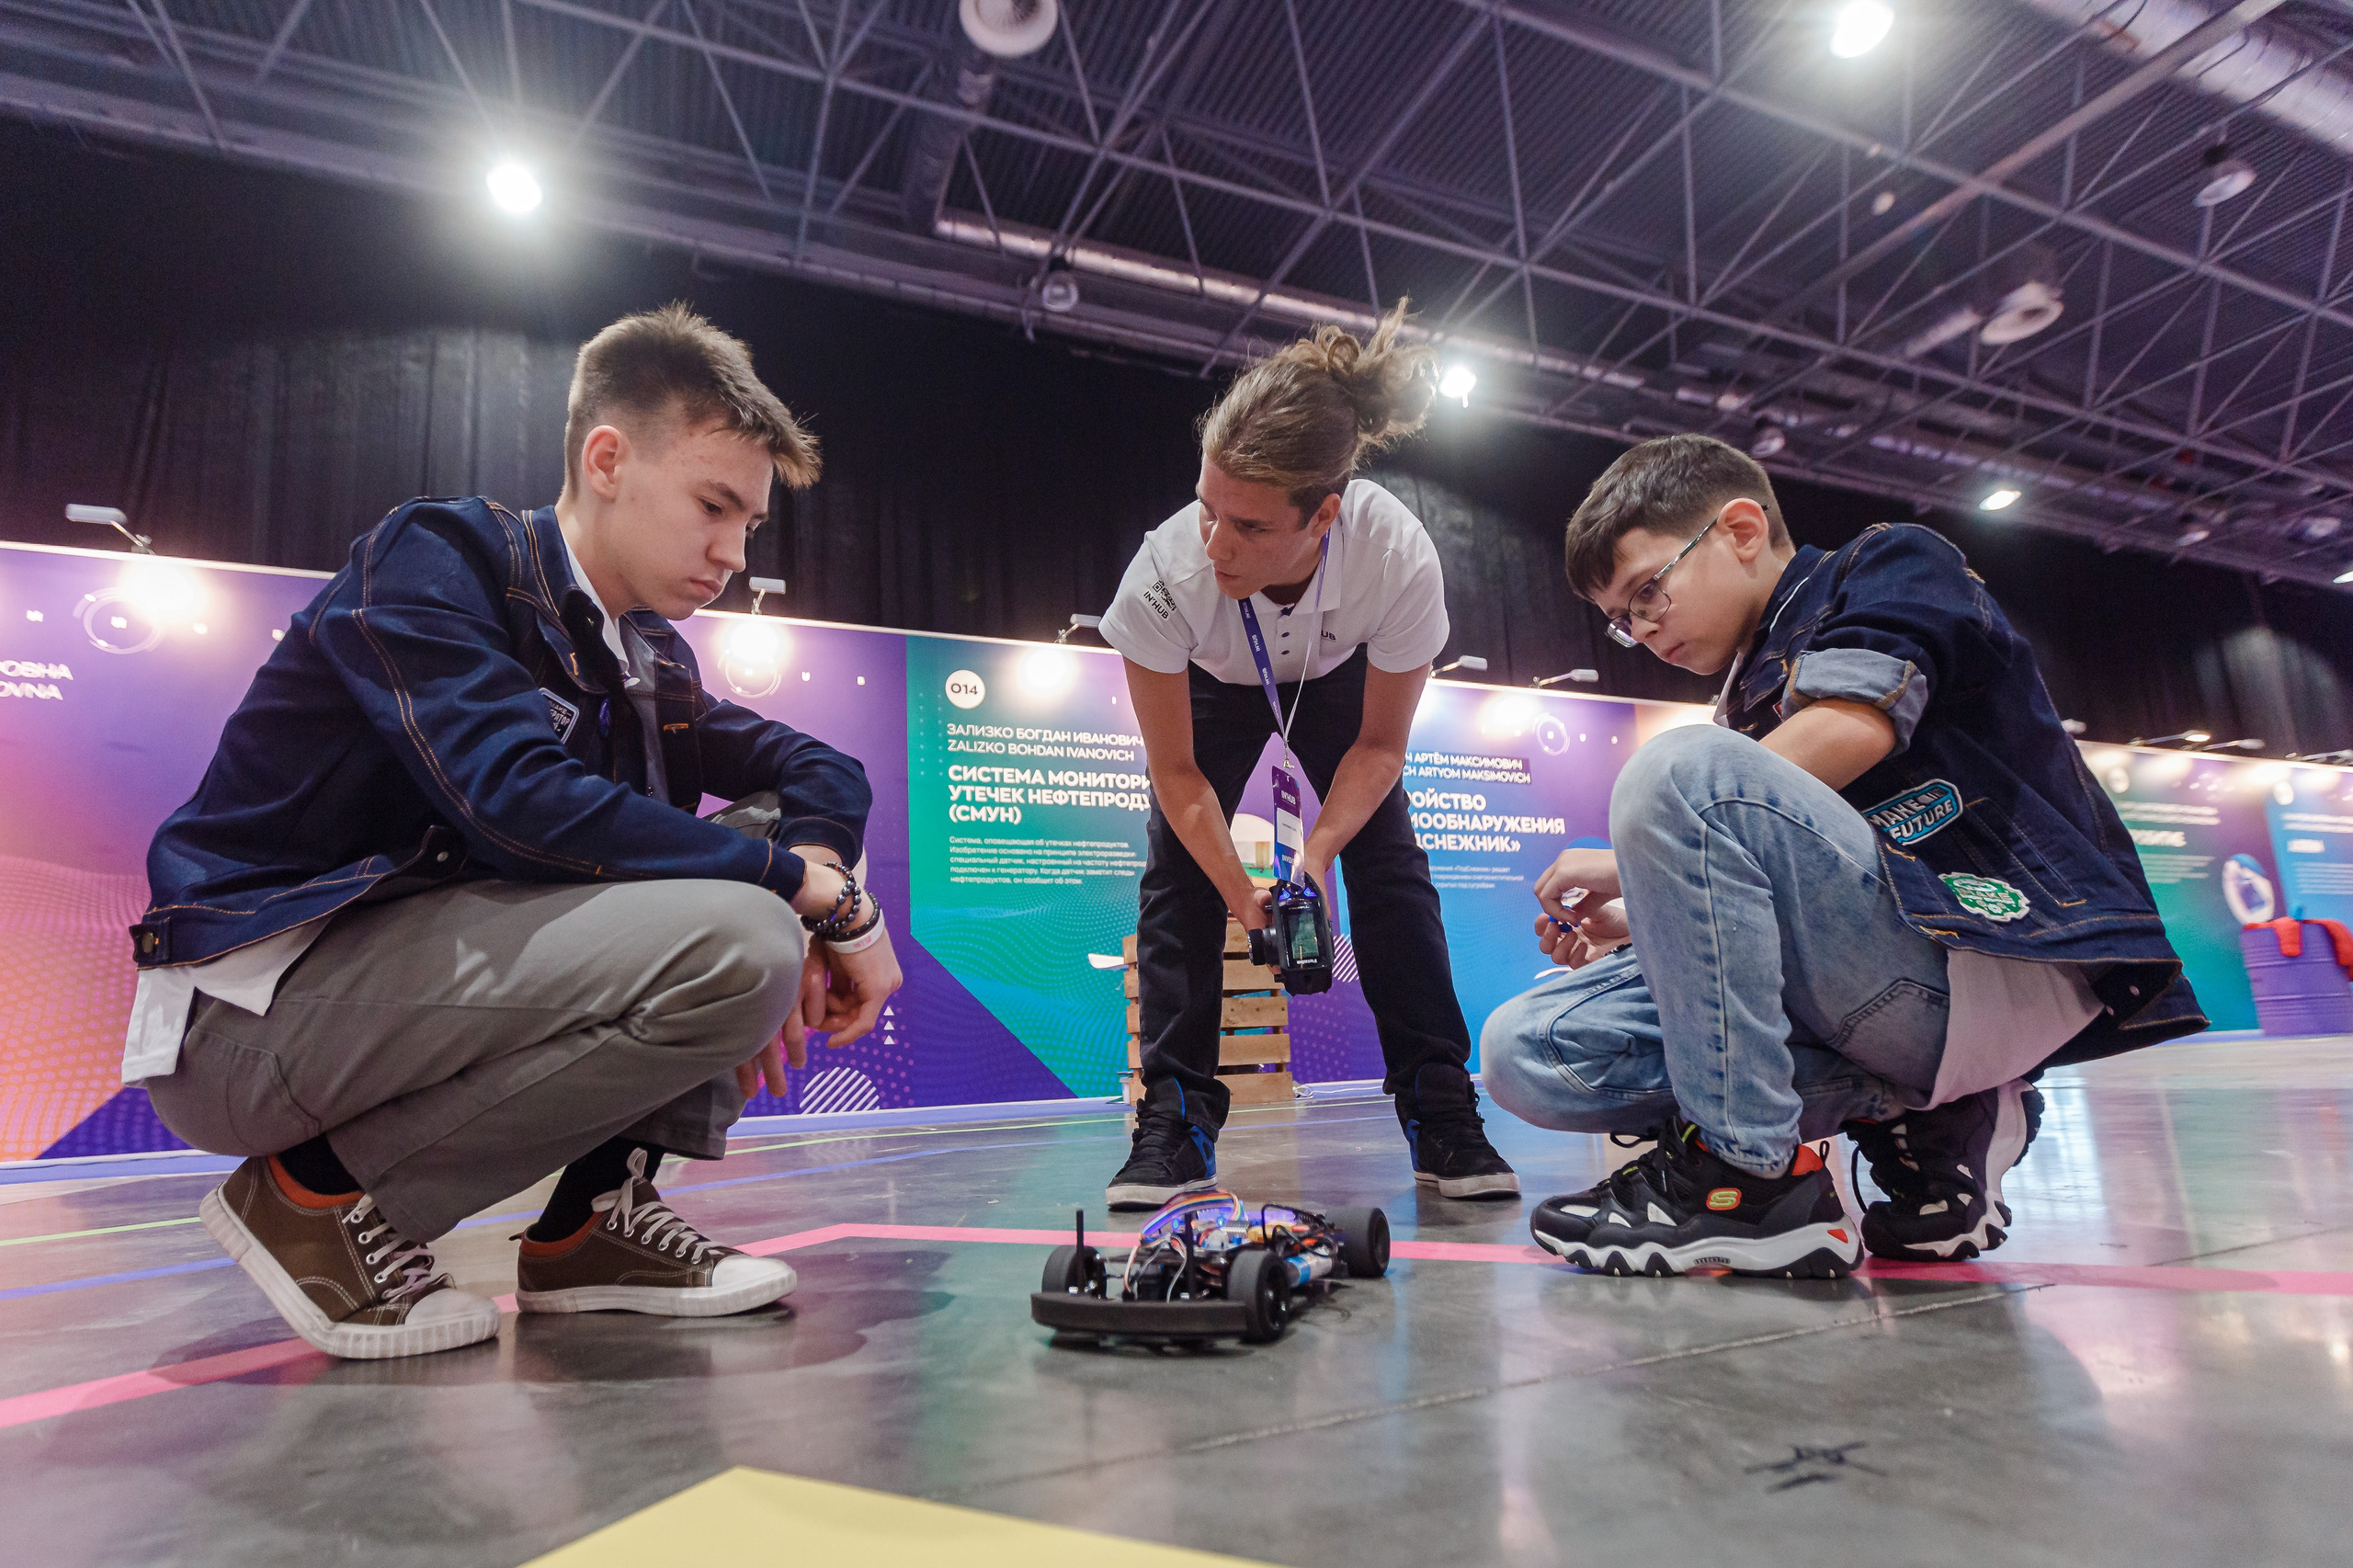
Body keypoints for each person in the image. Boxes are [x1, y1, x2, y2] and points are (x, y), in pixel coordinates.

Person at [125, 303, 904, 1358]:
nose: (730, 551)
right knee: (746, 930)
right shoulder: (437, 556)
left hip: (406, 993)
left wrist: (808, 869)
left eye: (751, 526)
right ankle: (314, 1199)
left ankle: (591, 1226)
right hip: (248, 1017)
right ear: (608, 459)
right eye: (712, 505)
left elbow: (823, 768)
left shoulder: (649, 659)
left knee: (767, 876)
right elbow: (515, 799)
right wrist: (822, 901)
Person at [1479, 434, 2202, 1277]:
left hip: (1990, 959)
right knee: (1526, 1049)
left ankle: (1749, 1181)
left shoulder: (1890, 562)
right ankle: (1938, 1116)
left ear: (1741, 530)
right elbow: (1801, 895)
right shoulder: (1738, 704)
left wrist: (1626, 858)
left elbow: (1857, 723)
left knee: (1677, 770)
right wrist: (1646, 915)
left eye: (1648, 592)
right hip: (1879, 978)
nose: (1640, 630)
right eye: (1620, 619)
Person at [1096, 301, 1518, 1210]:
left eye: (1249, 527)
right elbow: (1177, 775)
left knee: (1389, 861)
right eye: (1208, 509)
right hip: (1213, 678)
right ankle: (1174, 1120)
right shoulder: (1162, 578)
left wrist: (1315, 855)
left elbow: (1380, 746)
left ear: (1324, 513)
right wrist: (1237, 888)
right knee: (1176, 874)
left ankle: (1439, 1104)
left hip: (1336, 677)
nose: (1216, 545)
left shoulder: (1395, 557)